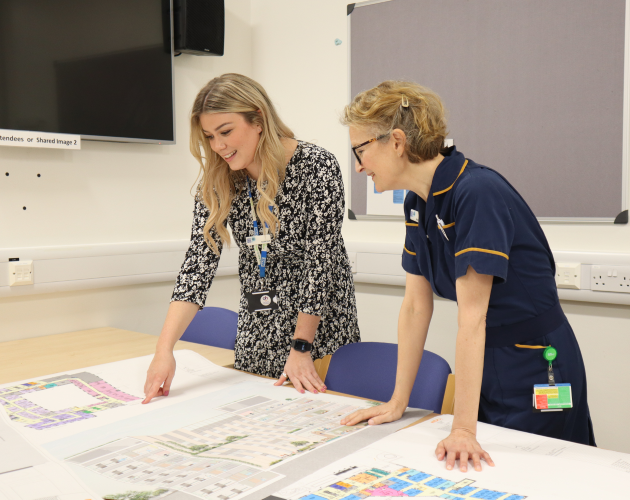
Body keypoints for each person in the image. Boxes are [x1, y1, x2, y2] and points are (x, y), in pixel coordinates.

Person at [340, 81, 595, 472]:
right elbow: (413, 308)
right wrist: (397, 401)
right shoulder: (418, 203)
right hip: (488, 359)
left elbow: (473, 317)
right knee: (487, 473)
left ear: (395, 142)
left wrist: (462, 428)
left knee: (543, 472)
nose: (358, 165)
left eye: (360, 150)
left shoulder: (476, 191)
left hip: (535, 361)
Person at [143, 74, 360, 402]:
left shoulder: (315, 167)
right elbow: (197, 266)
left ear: (258, 119)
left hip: (317, 333)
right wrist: (163, 350)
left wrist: (301, 347)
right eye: (210, 136)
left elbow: (321, 265)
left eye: (226, 132)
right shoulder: (220, 178)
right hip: (258, 330)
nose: (218, 146)